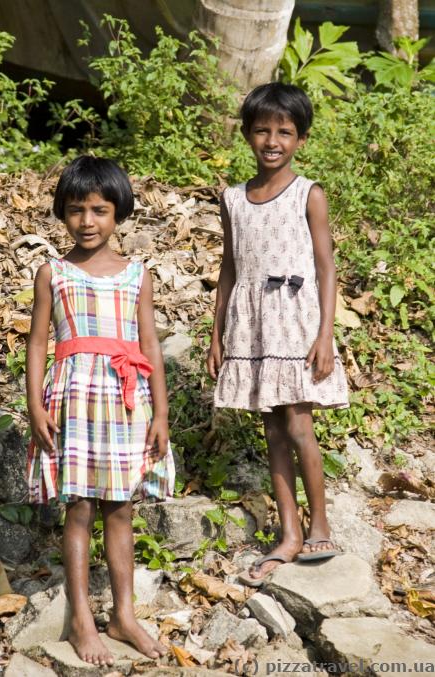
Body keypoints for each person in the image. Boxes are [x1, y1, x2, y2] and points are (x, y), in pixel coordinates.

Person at [26, 155, 174, 665]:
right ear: (61, 214)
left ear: (119, 213)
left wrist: (160, 413)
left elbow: (150, 345)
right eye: (75, 210)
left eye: (98, 210)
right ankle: (82, 617)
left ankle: (124, 614)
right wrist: (34, 406)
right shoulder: (54, 273)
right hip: (72, 399)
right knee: (80, 506)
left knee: (121, 507)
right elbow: (38, 343)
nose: (86, 222)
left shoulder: (138, 276)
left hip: (124, 400)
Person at [207, 83, 349, 586]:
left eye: (284, 132)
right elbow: (229, 267)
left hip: (295, 320)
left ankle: (321, 523)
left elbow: (326, 267)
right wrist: (217, 332)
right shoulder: (232, 198)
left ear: (300, 139)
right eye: (262, 130)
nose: (272, 140)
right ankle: (289, 533)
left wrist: (325, 333)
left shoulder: (309, 194)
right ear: (247, 134)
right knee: (271, 426)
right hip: (252, 324)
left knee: (298, 423)